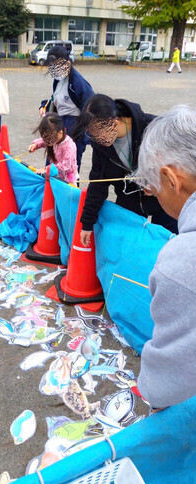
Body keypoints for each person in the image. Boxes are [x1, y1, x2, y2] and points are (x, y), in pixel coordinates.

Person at [134, 105, 196, 409]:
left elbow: (166, 384)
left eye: (156, 191)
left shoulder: (181, 260)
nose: (158, 198)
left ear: (172, 179)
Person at [72, 94, 178, 247]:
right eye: (92, 134)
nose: (95, 139)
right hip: (129, 200)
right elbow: (97, 184)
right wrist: (87, 224)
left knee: (168, 243)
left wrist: (158, 181)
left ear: (115, 122)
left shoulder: (153, 127)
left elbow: (179, 165)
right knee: (127, 244)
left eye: (98, 133)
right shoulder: (100, 144)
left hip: (163, 199)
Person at [39, 45, 94, 171]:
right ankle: (50, 190)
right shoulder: (58, 79)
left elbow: (92, 106)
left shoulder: (77, 82)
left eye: (58, 65)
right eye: (52, 66)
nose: (55, 69)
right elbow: (55, 97)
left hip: (74, 130)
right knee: (52, 163)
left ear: (68, 63)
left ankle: (70, 190)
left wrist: (82, 134)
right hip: (58, 127)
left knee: (70, 168)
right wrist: (44, 106)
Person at [29, 113, 78, 184]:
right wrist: (36, 144)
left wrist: (46, 169)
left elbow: (66, 166)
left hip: (67, 180)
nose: (48, 142)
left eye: (50, 138)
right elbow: (44, 140)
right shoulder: (54, 138)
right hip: (54, 175)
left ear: (60, 133)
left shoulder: (69, 145)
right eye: (46, 138)